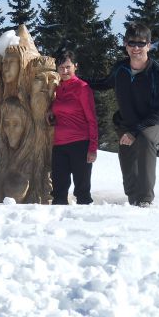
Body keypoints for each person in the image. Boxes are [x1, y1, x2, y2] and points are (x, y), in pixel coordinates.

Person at [86, 22, 159, 207]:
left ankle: (145, 199)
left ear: (149, 45)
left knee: (145, 140)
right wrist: (74, 79)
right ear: (126, 44)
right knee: (126, 156)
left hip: (153, 124)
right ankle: (133, 197)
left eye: (141, 44)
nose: (136, 48)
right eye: (132, 43)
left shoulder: (158, 73)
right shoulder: (121, 69)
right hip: (127, 123)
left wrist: (136, 131)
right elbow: (103, 83)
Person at [49, 51, 98, 205]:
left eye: (68, 67)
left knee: (82, 191)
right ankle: (57, 227)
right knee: (59, 190)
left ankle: (85, 224)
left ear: (76, 66)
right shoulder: (56, 88)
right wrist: (50, 111)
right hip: (58, 145)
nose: (64, 71)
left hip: (80, 144)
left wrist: (93, 148)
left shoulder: (82, 88)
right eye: (61, 67)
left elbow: (92, 120)